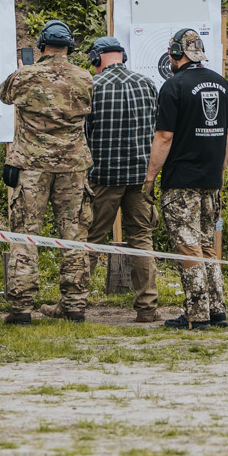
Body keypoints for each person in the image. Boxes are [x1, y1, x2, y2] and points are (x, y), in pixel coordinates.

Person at [0, 19, 94, 325]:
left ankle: (22, 307)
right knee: (74, 235)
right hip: (73, 167)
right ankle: (75, 305)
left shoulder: (25, 76)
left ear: (41, 45)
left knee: (25, 236)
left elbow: (4, 94)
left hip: (32, 167)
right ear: (70, 46)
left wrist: (23, 70)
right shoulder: (85, 78)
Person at [146, 28, 228, 330]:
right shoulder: (222, 84)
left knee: (188, 248)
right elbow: (227, 133)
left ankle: (197, 313)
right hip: (212, 180)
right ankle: (217, 309)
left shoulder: (174, 86)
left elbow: (164, 136)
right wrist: (219, 172)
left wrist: (149, 178)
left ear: (175, 53)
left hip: (181, 182)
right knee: (206, 245)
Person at [82, 35, 161, 324]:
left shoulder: (93, 86)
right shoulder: (147, 83)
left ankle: (75, 304)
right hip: (141, 177)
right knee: (142, 239)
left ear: (97, 58)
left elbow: (84, 133)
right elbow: (157, 128)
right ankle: (147, 308)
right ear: (122, 56)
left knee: (90, 240)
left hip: (103, 176)